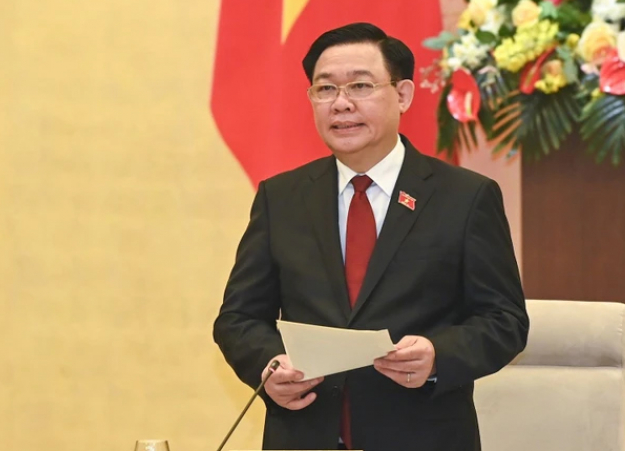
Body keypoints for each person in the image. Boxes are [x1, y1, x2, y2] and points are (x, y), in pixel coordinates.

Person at [213, 22, 528, 451]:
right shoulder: (281, 198)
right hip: (305, 436)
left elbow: (505, 320)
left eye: (360, 86)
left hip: (422, 437)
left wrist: (438, 355)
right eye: (325, 89)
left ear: (403, 95)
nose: (341, 103)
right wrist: (270, 366)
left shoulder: (464, 198)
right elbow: (238, 319)